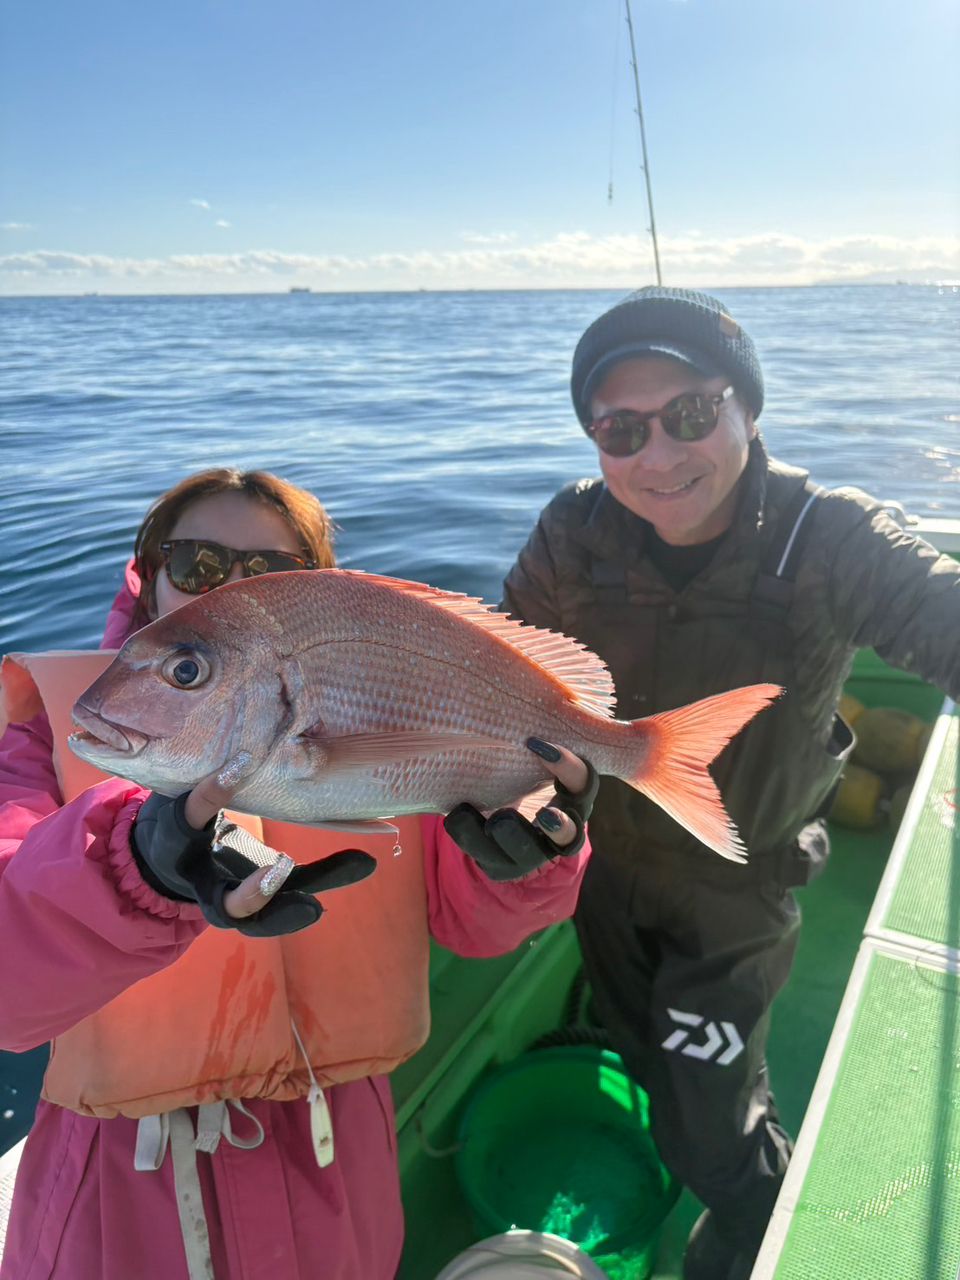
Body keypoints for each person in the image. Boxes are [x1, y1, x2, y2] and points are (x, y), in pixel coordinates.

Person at [0, 467, 598, 1280]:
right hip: (123, 1184)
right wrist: (134, 866)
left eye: (272, 575)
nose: (230, 592)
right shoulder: (55, 734)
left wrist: (525, 866)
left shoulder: (383, 706)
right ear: (152, 580)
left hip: (337, 1155)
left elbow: (478, 929)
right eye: (199, 567)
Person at [501, 286, 960, 1280]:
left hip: (737, 890)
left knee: (709, 1129)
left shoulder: (828, 534)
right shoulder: (572, 533)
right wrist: (511, 808)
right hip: (607, 873)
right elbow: (500, 682)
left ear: (748, 407)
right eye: (620, 430)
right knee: (650, 1063)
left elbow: (940, 613)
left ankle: (760, 1220)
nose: (657, 458)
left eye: (691, 415)